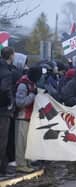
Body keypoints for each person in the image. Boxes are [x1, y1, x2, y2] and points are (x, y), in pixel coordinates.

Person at [15, 65, 42, 173]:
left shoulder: (31, 83)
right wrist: (32, 95)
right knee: (21, 144)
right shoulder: (23, 85)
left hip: (30, 117)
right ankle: (21, 164)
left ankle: (27, 162)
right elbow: (20, 103)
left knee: (28, 142)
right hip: (22, 117)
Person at [0, 47, 15, 177]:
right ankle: (1, 170)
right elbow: (5, 89)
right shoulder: (6, 72)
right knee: (2, 140)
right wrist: (9, 103)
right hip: (3, 111)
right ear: (11, 56)